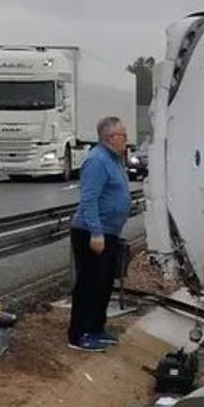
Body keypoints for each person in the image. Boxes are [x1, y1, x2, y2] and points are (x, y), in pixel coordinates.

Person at [67, 116, 133, 351]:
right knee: (89, 284)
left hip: (110, 232)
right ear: (110, 137)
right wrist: (96, 233)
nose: (127, 140)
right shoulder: (97, 161)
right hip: (91, 233)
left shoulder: (115, 160)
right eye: (123, 135)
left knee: (104, 283)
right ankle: (79, 334)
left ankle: (96, 328)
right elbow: (89, 199)